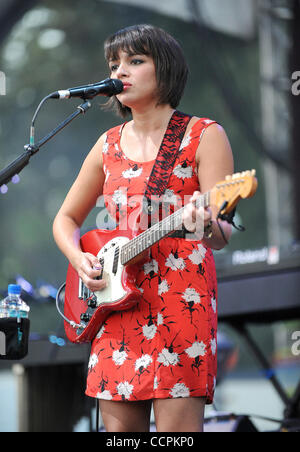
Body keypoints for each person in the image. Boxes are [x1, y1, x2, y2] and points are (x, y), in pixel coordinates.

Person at [53, 24, 234, 432]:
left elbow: (221, 233)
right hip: (116, 303)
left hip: (180, 301)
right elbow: (65, 219)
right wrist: (79, 259)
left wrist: (201, 226)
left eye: (136, 61)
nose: (121, 71)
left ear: (165, 69)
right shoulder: (107, 145)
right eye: (115, 64)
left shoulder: (204, 135)